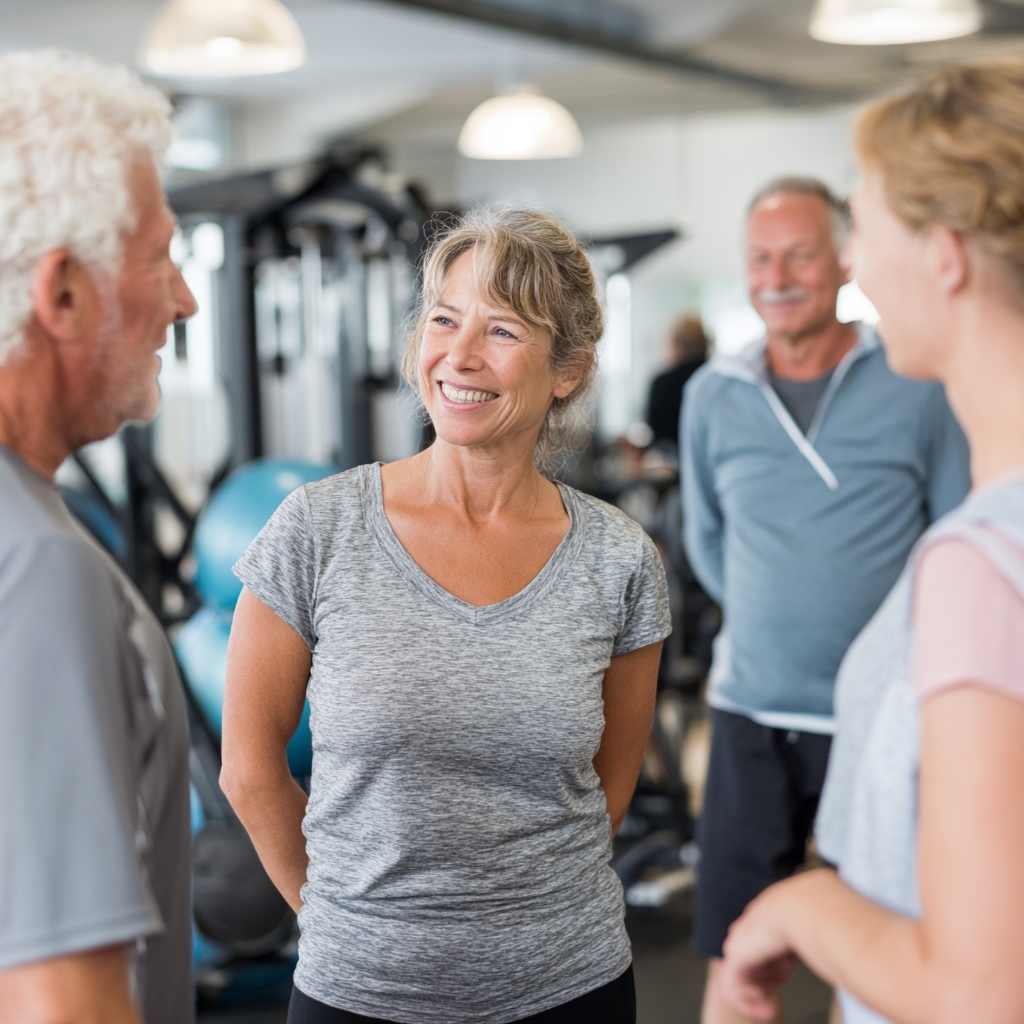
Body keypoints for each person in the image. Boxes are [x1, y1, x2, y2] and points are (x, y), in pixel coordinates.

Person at [220, 206, 672, 1024]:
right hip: (358, 992)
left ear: (566, 369)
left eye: (501, 331)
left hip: (570, 986)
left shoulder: (619, 557)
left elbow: (609, 786)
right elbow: (250, 771)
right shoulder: (317, 529)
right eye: (443, 320)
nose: (458, 356)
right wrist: (337, 923)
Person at [720, 60, 1024, 1024]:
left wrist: (801, 907)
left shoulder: (979, 560)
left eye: (865, 227)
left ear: (943, 254)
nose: (851, 263)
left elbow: (979, 990)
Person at [681, 176, 971, 1023]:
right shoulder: (712, 394)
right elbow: (707, 540)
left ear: (842, 259)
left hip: (882, 718)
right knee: (732, 947)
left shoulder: (915, 379)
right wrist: (779, 624)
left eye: (799, 254)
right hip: (750, 711)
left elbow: (950, 535)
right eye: (759, 257)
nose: (777, 275)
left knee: (881, 944)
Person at [0, 52, 197, 1024]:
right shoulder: (38, 567)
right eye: (162, 256)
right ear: (64, 293)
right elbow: (59, 1003)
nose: (185, 299)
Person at [646, 315, 708, 450]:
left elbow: (656, 433)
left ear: (678, 344)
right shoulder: (717, 379)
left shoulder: (663, 384)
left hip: (674, 465)